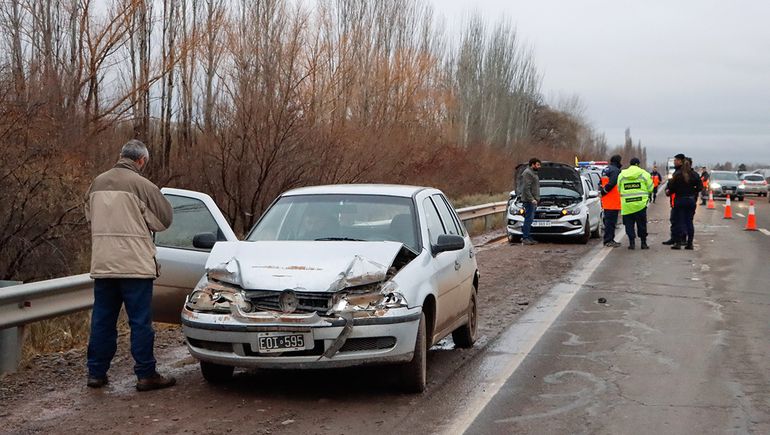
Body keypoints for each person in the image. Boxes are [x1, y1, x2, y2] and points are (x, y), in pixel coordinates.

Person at [84, 139, 176, 391]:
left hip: (103, 264)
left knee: (102, 320)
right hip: (135, 265)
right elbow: (164, 220)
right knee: (139, 322)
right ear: (141, 160)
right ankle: (146, 374)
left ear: (121, 155)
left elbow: (88, 217)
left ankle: (96, 373)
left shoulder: (97, 183)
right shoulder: (143, 186)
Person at [666, 154, 702, 249]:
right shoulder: (694, 174)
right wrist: (693, 192)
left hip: (680, 199)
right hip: (690, 200)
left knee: (679, 221)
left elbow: (671, 187)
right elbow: (700, 187)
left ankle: (678, 243)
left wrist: (671, 191)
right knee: (689, 222)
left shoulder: (677, 174)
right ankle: (689, 244)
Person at [618, 158, 654, 249]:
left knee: (629, 225)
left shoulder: (622, 175)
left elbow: (619, 189)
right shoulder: (644, 174)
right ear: (638, 164)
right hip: (640, 204)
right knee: (641, 224)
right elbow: (650, 188)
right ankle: (643, 243)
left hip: (627, 205)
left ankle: (632, 243)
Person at [600, 155, 623, 247]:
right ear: (618, 161)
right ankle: (609, 240)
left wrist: (602, 192)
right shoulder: (615, 170)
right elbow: (612, 183)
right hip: (613, 200)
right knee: (611, 223)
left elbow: (601, 182)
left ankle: (609, 239)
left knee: (608, 222)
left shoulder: (606, 169)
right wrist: (605, 191)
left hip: (606, 201)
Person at [519, 158, 541, 245]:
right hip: (529, 201)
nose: (539, 167)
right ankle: (525, 238)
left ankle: (528, 236)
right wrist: (532, 199)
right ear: (533, 164)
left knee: (530, 219)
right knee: (528, 219)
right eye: (538, 165)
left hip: (533, 200)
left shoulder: (533, 173)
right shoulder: (528, 173)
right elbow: (526, 188)